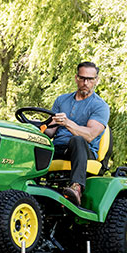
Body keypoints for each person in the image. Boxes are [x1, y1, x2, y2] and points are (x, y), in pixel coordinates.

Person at [45, 62, 110, 206]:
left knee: (77, 139)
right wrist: (37, 129)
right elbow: (50, 131)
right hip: (59, 148)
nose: (85, 83)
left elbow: (90, 135)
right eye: (82, 78)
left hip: (83, 151)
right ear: (76, 78)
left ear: (96, 80)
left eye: (90, 79)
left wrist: (67, 122)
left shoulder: (100, 106)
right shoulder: (62, 100)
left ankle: (77, 187)